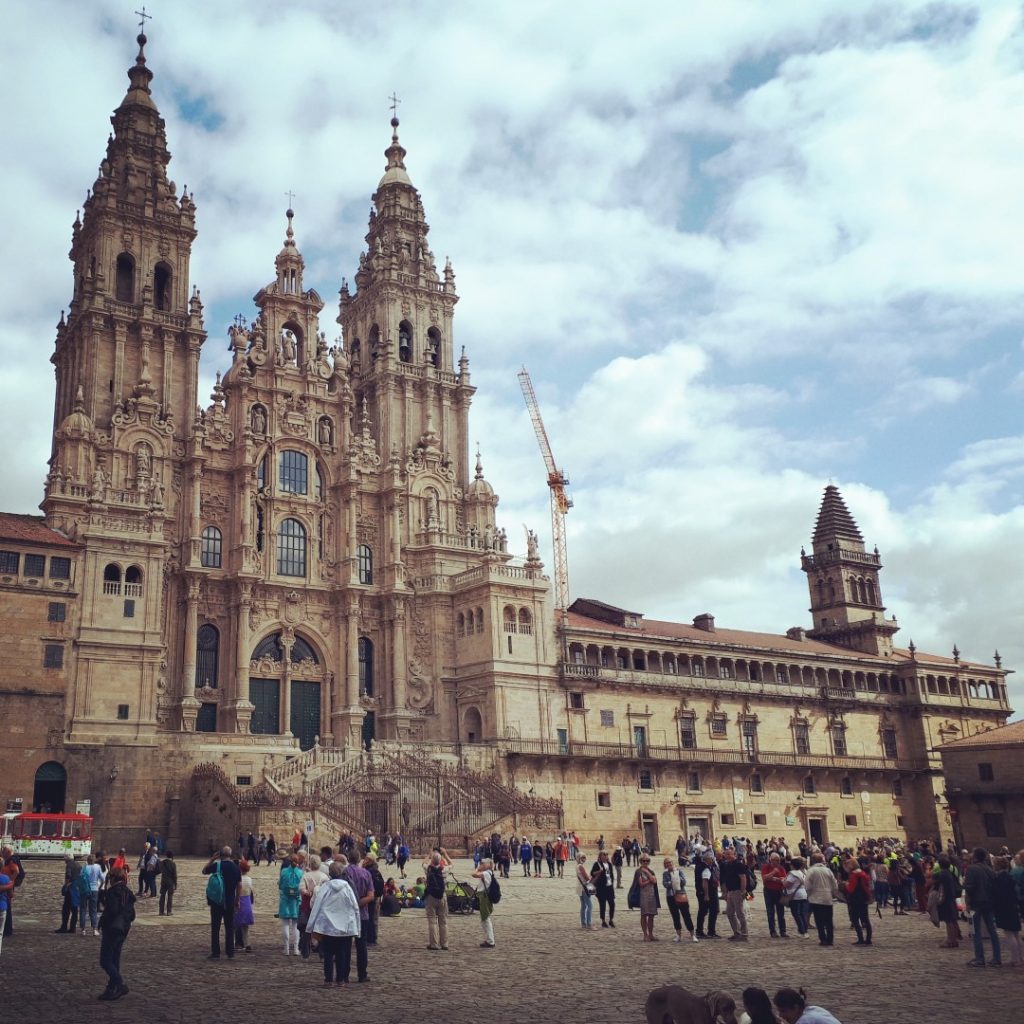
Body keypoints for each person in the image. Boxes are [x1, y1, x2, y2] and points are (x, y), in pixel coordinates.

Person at [307, 860, 362, 986]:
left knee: (328, 954)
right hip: (344, 927)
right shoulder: (347, 887)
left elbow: (317, 906)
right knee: (342, 954)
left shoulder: (326, 887)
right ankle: (340, 979)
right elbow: (355, 908)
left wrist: (311, 927)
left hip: (328, 926)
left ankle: (328, 979)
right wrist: (357, 928)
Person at [97, 866, 135, 1001]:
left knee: (105, 960)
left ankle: (119, 983)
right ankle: (112, 987)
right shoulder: (127, 892)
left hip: (112, 929)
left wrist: (103, 922)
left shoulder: (113, 892)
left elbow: (111, 910)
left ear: (112, 878)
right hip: (123, 929)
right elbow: (132, 914)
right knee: (115, 959)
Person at [964, 846, 1002, 967]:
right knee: (992, 931)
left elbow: (969, 887)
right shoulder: (990, 869)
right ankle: (997, 957)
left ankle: (979, 958)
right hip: (989, 902)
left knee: (975, 931)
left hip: (976, 903)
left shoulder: (971, 869)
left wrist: (968, 903)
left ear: (975, 856)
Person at [202, 846, 242, 959]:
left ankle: (216, 952)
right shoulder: (235, 867)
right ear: (230, 854)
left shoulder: (217, 866)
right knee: (229, 927)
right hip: (230, 901)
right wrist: (237, 900)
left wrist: (212, 859)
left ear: (220, 855)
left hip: (217, 902)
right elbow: (239, 885)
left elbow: (204, 871)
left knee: (215, 927)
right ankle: (230, 952)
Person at [342, 852, 374, 980]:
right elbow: (371, 895)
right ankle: (362, 974)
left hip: (347, 914)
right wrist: (359, 903)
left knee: (346, 945)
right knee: (362, 945)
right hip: (363, 914)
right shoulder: (366, 873)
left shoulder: (344, 872)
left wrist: (352, 904)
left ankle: (344, 974)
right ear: (359, 859)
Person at [992, 855, 1023, 967]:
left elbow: (996, 895)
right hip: (1013, 906)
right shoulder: (1010, 877)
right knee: (1016, 934)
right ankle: (1020, 957)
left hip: (1004, 908)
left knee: (1009, 934)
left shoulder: (998, 879)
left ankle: (1015, 959)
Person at [805, 852, 839, 946]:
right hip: (827, 898)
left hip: (815, 899)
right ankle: (830, 939)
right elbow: (835, 885)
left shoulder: (811, 871)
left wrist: (809, 895)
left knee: (819, 920)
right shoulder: (828, 870)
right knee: (828, 920)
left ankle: (823, 939)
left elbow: (807, 885)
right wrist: (833, 894)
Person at [662, 856, 697, 942]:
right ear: (665, 865)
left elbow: (684, 882)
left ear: (672, 863)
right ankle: (678, 935)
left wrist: (675, 879)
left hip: (681, 895)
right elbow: (665, 884)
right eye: (667, 863)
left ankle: (692, 934)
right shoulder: (665, 873)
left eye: (670, 862)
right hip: (671, 896)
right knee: (675, 916)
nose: (669, 864)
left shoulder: (679, 871)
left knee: (686, 915)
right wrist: (674, 881)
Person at [720, 848, 751, 942]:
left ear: (734, 854)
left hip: (738, 891)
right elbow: (725, 880)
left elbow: (743, 878)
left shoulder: (738, 865)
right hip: (730, 892)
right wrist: (725, 892)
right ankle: (737, 932)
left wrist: (742, 891)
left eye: (730, 854)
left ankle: (744, 934)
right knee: (730, 913)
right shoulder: (727, 865)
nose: (728, 856)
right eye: (726, 854)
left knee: (740, 913)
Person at [423, 849, 450, 950]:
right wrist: (445, 854)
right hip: (442, 895)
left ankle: (434, 944)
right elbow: (451, 864)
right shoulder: (444, 870)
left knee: (432, 921)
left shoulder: (428, 869)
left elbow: (423, 863)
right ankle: (445, 944)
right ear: (440, 860)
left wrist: (429, 855)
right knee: (443, 921)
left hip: (431, 896)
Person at [933, 854, 961, 949]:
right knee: (952, 920)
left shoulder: (943, 874)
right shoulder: (948, 873)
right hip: (951, 898)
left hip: (946, 899)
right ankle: (953, 940)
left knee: (949, 921)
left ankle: (950, 940)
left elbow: (934, 878)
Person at [278, 853, 304, 956]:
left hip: (285, 900)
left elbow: (280, 885)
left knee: (285, 924)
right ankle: (296, 949)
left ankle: (286, 948)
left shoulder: (284, 871)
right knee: (295, 926)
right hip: (296, 901)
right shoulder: (301, 873)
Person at [844, 856, 873, 945]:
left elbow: (850, 889)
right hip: (863, 899)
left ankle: (860, 939)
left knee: (855, 919)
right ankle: (868, 939)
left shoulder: (854, 875)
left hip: (855, 899)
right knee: (866, 919)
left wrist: (845, 884)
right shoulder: (863, 873)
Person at [773, 988, 842, 1024]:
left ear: (796, 1008)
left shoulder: (805, 1020)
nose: (780, 1015)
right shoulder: (814, 1009)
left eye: (784, 1011)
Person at [761, 852, 788, 939]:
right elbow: (764, 878)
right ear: (771, 860)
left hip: (779, 891)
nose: (778, 862)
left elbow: (784, 880)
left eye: (778, 860)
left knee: (781, 912)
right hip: (768, 891)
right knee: (770, 912)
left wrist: (774, 879)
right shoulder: (766, 867)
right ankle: (773, 931)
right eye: (776, 860)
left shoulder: (781, 868)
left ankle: (783, 931)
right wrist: (773, 873)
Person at [634, 853, 660, 941]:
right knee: (644, 915)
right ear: (640, 861)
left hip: (652, 895)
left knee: (651, 915)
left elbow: (655, 881)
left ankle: (651, 934)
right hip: (643, 895)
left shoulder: (651, 871)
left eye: (647, 860)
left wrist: (647, 873)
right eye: (643, 860)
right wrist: (650, 880)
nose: (645, 862)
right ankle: (645, 935)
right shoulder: (638, 872)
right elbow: (641, 884)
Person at [472, 857, 496, 947]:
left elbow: (473, 874)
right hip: (483, 896)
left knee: (485, 918)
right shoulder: (488, 872)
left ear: (489, 865)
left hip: (484, 897)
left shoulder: (486, 873)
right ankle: (489, 939)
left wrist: (478, 868)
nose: (482, 864)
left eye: (484, 863)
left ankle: (490, 941)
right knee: (484, 919)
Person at [696, 850, 720, 939]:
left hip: (705, 892)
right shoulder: (705, 867)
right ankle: (708, 931)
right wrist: (706, 895)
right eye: (711, 858)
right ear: (707, 859)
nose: (713, 859)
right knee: (710, 911)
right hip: (708, 892)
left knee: (704, 911)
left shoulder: (704, 866)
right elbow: (705, 882)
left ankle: (702, 931)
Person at [57, 853, 83, 933]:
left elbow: (68, 875)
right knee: (74, 909)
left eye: (64, 858)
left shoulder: (69, 865)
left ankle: (64, 926)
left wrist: (66, 885)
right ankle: (73, 928)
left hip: (70, 887)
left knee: (66, 909)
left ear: (67, 859)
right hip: (77, 887)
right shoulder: (79, 865)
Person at [784, 857, 809, 937]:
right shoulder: (802, 873)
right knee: (802, 914)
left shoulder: (793, 874)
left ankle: (802, 931)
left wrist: (782, 881)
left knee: (796, 914)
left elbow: (787, 885)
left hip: (795, 896)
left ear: (792, 865)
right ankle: (805, 930)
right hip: (803, 895)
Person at [81, 853, 105, 934]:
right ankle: (94, 929)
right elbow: (102, 879)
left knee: (83, 909)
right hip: (94, 889)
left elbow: (81, 878)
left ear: (88, 860)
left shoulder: (85, 867)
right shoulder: (97, 867)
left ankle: (83, 929)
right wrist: (99, 887)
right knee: (93, 910)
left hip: (85, 889)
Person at [592, 849, 616, 928]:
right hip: (601, 888)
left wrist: (612, 882)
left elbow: (611, 874)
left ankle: (611, 919)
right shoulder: (597, 864)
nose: (606, 856)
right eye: (604, 855)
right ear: (600, 856)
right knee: (603, 905)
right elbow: (592, 873)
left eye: (606, 854)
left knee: (612, 904)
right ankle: (603, 920)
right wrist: (599, 871)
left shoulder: (609, 864)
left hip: (609, 887)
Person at [235, 860, 255, 952]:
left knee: (234, 923)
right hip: (247, 901)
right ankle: (247, 944)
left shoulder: (238, 879)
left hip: (239, 900)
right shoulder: (249, 879)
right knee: (245, 926)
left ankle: (234, 943)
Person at [576, 853, 594, 930]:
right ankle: (589, 924)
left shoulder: (577, 866)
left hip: (579, 887)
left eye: (584, 857)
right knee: (590, 906)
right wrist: (592, 876)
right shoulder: (581, 867)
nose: (584, 859)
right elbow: (586, 878)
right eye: (582, 857)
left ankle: (583, 924)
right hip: (584, 888)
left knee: (583, 906)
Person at [158, 850, 177, 916]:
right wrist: (175, 884)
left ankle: (161, 911)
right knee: (170, 896)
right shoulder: (173, 864)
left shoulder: (162, 862)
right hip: (170, 882)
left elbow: (160, 870)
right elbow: (174, 875)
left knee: (162, 896)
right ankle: (169, 911)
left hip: (163, 881)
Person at [0, 860, 12, 957]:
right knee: (0, 933)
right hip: (2, 906)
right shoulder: (6, 878)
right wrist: (9, 886)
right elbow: (11, 894)